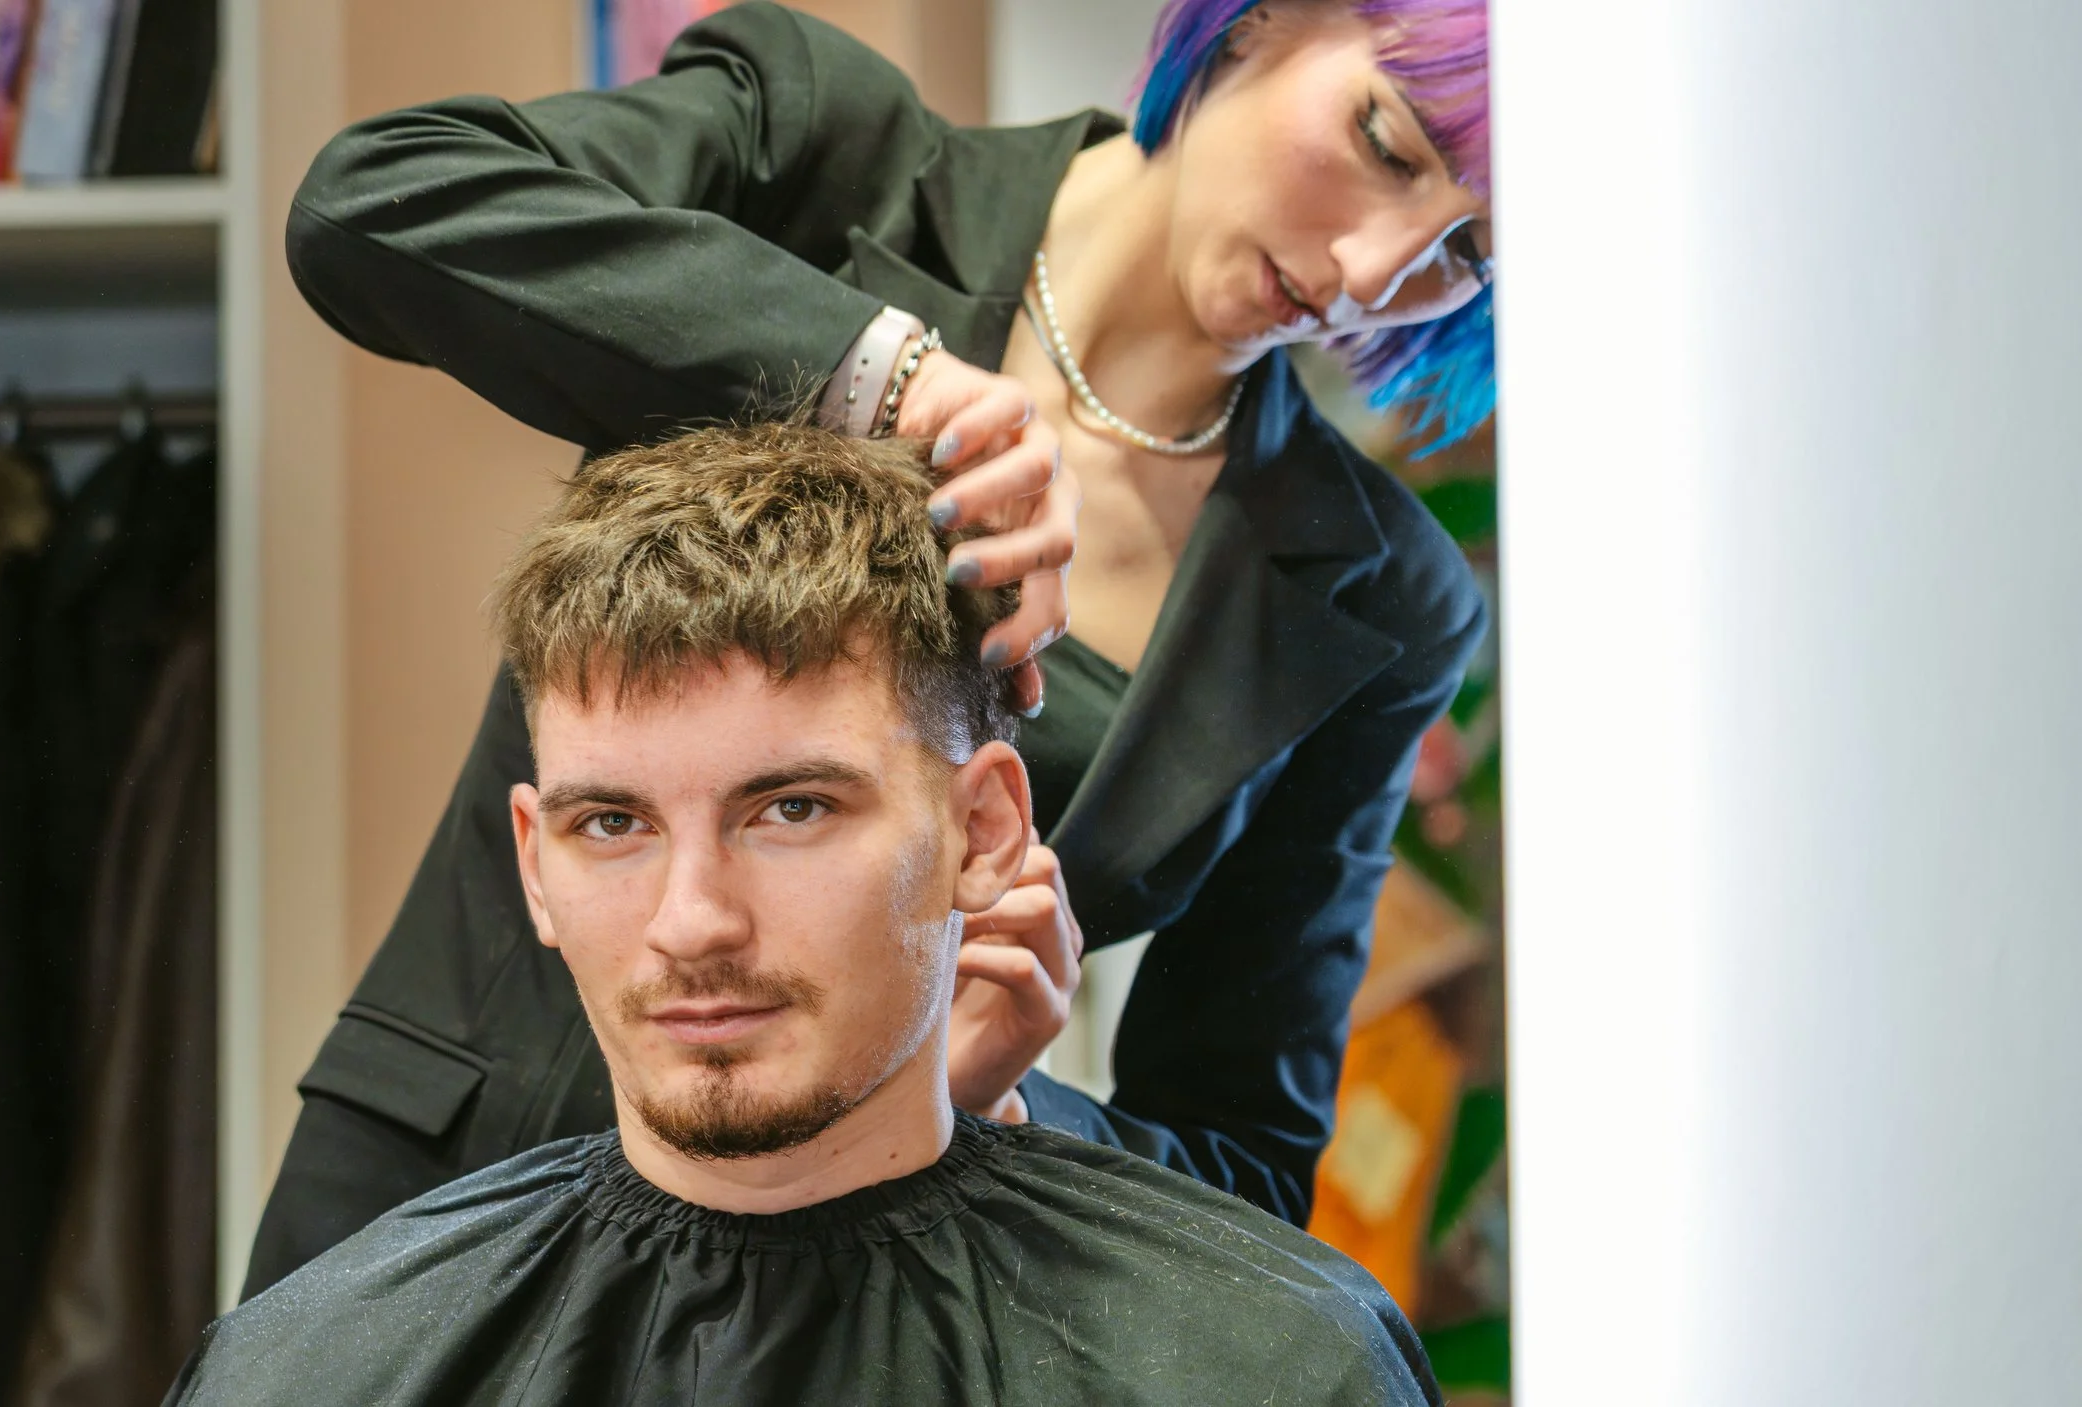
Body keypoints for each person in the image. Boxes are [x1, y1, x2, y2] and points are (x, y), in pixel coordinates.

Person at [249, 0, 1492, 1292]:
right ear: (1262, 22)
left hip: (867, 1293)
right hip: (446, 1200)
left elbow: (1241, 1160)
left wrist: (994, 1105)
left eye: (1469, 251)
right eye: (1388, 143)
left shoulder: (1380, 595)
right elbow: (369, 205)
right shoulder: (824, 155)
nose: (1374, 271)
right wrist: (875, 377)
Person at [171, 425, 1438, 1405]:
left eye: (788, 811)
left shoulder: (1273, 1365)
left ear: (984, 830)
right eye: (611, 825)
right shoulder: (311, 1367)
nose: (691, 922)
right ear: (533, 863)